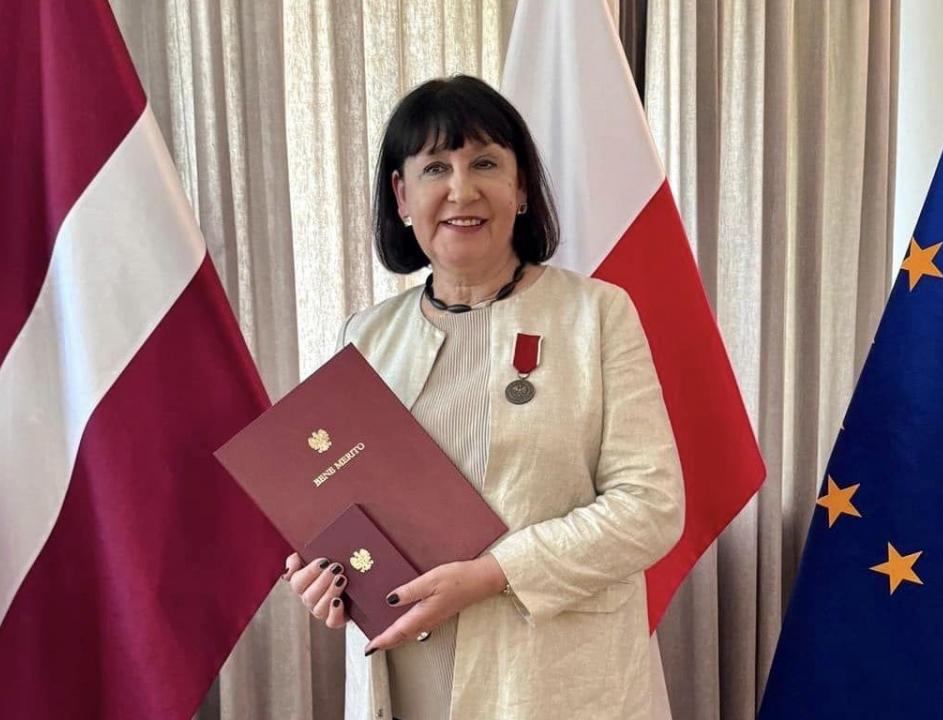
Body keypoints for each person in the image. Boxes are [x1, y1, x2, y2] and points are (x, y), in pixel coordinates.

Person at [282, 75, 683, 720]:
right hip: (409, 670)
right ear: (402, 195)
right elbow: (341, 506)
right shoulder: (366, 335)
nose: (462, 190)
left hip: (553, 678)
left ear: (521, 188)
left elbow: (651, 507)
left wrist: (495, 573)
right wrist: (326, 577)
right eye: (436, 166)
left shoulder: (598, 314)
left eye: (486, 164)